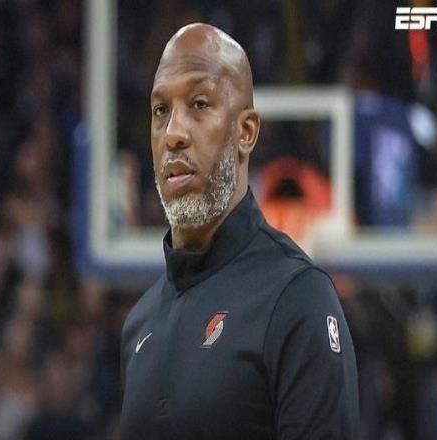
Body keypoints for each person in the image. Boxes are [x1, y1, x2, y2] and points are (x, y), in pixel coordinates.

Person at [120, 23, 359, 439]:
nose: (173, 133)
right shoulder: (139, 324)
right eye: (161, 110)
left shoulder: (297, 297)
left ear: (245, 133)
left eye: (199, 104)